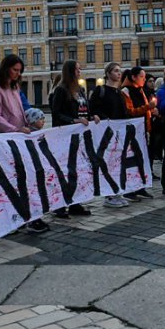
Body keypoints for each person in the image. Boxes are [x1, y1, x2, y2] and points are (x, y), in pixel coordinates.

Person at [50, 60, 99, 217]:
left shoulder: (80, 89)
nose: (80, 71)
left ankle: (75, 203)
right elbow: (56, 114)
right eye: (77, 69)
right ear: (70, 71)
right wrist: (73, 121)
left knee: (78, 170)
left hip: (80, 137)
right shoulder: (61, 90)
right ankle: (59, 206)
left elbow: (84, 109)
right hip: (66, 137)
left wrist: (92, 116)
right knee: (65, 171)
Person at [89, 62, 129, 209]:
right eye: (116, 71)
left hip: (119, 133)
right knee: (109, 163)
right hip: (107, 134)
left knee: (119, 163)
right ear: (108, 73)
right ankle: (109, 195)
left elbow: (123, 113)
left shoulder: (119, 92)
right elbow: (94, 109)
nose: (119, 74)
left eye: (120, 71)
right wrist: (105, 120)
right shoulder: (101, 90)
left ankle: (117, 191)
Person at [121, 66, 157, 200]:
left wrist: (152, 111)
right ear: (133, 77)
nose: (144, 79)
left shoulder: (140, 90)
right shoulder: (125, 91)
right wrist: (148, 107)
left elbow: (145, 109)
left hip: (143, 129)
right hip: (132, 131)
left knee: (143, 159)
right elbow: (130, 111)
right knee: (132, 160)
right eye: (141, 76)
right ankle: (130, 190)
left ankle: (141, 186)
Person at [19, 107, 52, 233]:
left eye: (44, 118)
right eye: (40, 119)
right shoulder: (27, 135)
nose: (43, 121)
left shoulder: (39, 135)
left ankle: (36, 218)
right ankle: (32, 220)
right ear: (32, 121)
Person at [0, 54, 31, 134]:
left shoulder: (15, 87)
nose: (19, 74)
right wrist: (16, 129)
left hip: (19, 134)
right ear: (6, 69)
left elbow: (20, 111)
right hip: (5, 136)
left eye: (20, 71)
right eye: (15, 70)